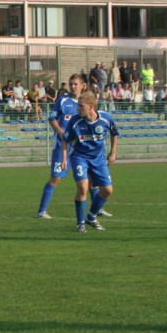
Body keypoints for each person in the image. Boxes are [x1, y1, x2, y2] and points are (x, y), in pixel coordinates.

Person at [35, 74, 111, 221]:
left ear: (83, 85)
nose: (73, 86)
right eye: (71, 84)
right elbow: (52, 118)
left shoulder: (86, 102)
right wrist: (62, 132)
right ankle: (41, 211)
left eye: (76, 84)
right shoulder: (63, 100)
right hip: (62, 145)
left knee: (91, 179)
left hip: (81, 147)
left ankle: (98, 209)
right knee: (56, 177)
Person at [62, 91, 119, 233]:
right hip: (79, 156)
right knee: (83, 187)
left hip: (98, 159)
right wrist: (64, 158)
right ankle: (80, 223)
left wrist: (113, 152)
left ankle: (91, 216)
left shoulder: (105, 118)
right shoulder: (75, 121)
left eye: (81, 106)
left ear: (91, 106)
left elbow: (114, 133)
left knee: (107, 190)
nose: (78, 109)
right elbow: (65, 139)